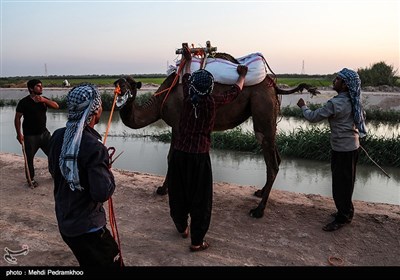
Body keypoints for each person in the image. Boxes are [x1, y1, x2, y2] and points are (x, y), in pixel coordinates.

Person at [167, 45, 248, 251]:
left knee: (178, 192)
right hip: (199, 157)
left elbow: (186, 76)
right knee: (201, 200)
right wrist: (242, 76)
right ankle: (197, 241)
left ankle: (182, 227)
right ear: (210, 88)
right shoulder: (212, 102)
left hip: (179, 154)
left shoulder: (187, 97)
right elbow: (235, 92)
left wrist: (186, 59)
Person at [47, 83, 123, 266]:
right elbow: (102, 193)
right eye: (99, 104)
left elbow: (53, 170)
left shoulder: (58, 136)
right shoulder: (94, 147)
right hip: (89, 228)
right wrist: (107, 170)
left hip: (66, 223)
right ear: (95, 110)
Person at [297, 68, 367, 232]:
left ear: (344, 85)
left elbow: (313, 117)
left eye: (337, 79)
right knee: (347, 182)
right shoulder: (354, 100)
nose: (334, 81)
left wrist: (303, 106)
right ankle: (345, 212)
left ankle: (343, 218)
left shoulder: (336, 103)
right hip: (352, 147)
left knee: (341, 184)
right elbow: (361, 118)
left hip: (342, 149)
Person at [14, 79, 59, 188]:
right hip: (30, 136)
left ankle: (54, 173)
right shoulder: (24, 102)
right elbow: (17, 118)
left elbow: (56, 106)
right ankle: (31, 179)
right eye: (38, 86)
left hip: (44, 133)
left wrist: (44, 100)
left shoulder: (43, 100)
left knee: (53, 154)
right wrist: (19, 134)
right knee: (29, 159)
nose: (41, 88)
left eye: (41, 86)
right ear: (31, 89)